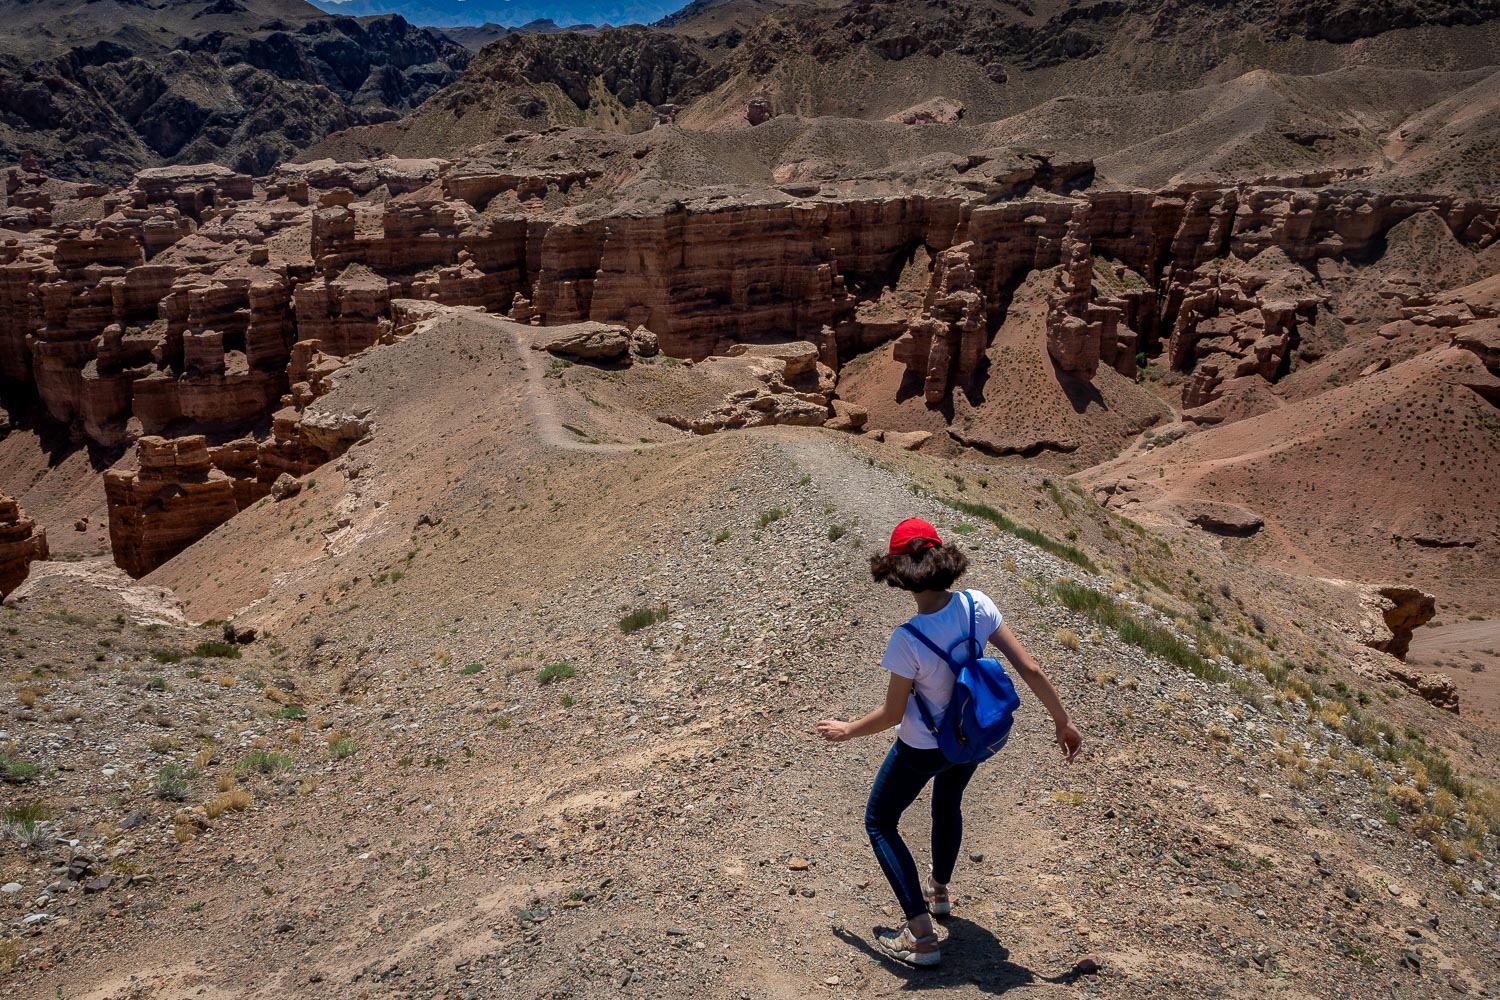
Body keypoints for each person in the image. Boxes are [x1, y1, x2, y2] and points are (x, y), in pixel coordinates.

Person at [816, 517, 1082, 967]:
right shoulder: (977, 605)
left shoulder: (907, 640)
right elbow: (1030, 669)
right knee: (948, 803)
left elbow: (892, 715)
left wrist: (847, 729)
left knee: (880, 821)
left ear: (898, 574)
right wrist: (1063, 721)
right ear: (942, 560)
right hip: (973, 732)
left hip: (923, 746)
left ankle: (921, 937)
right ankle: (939, 893)